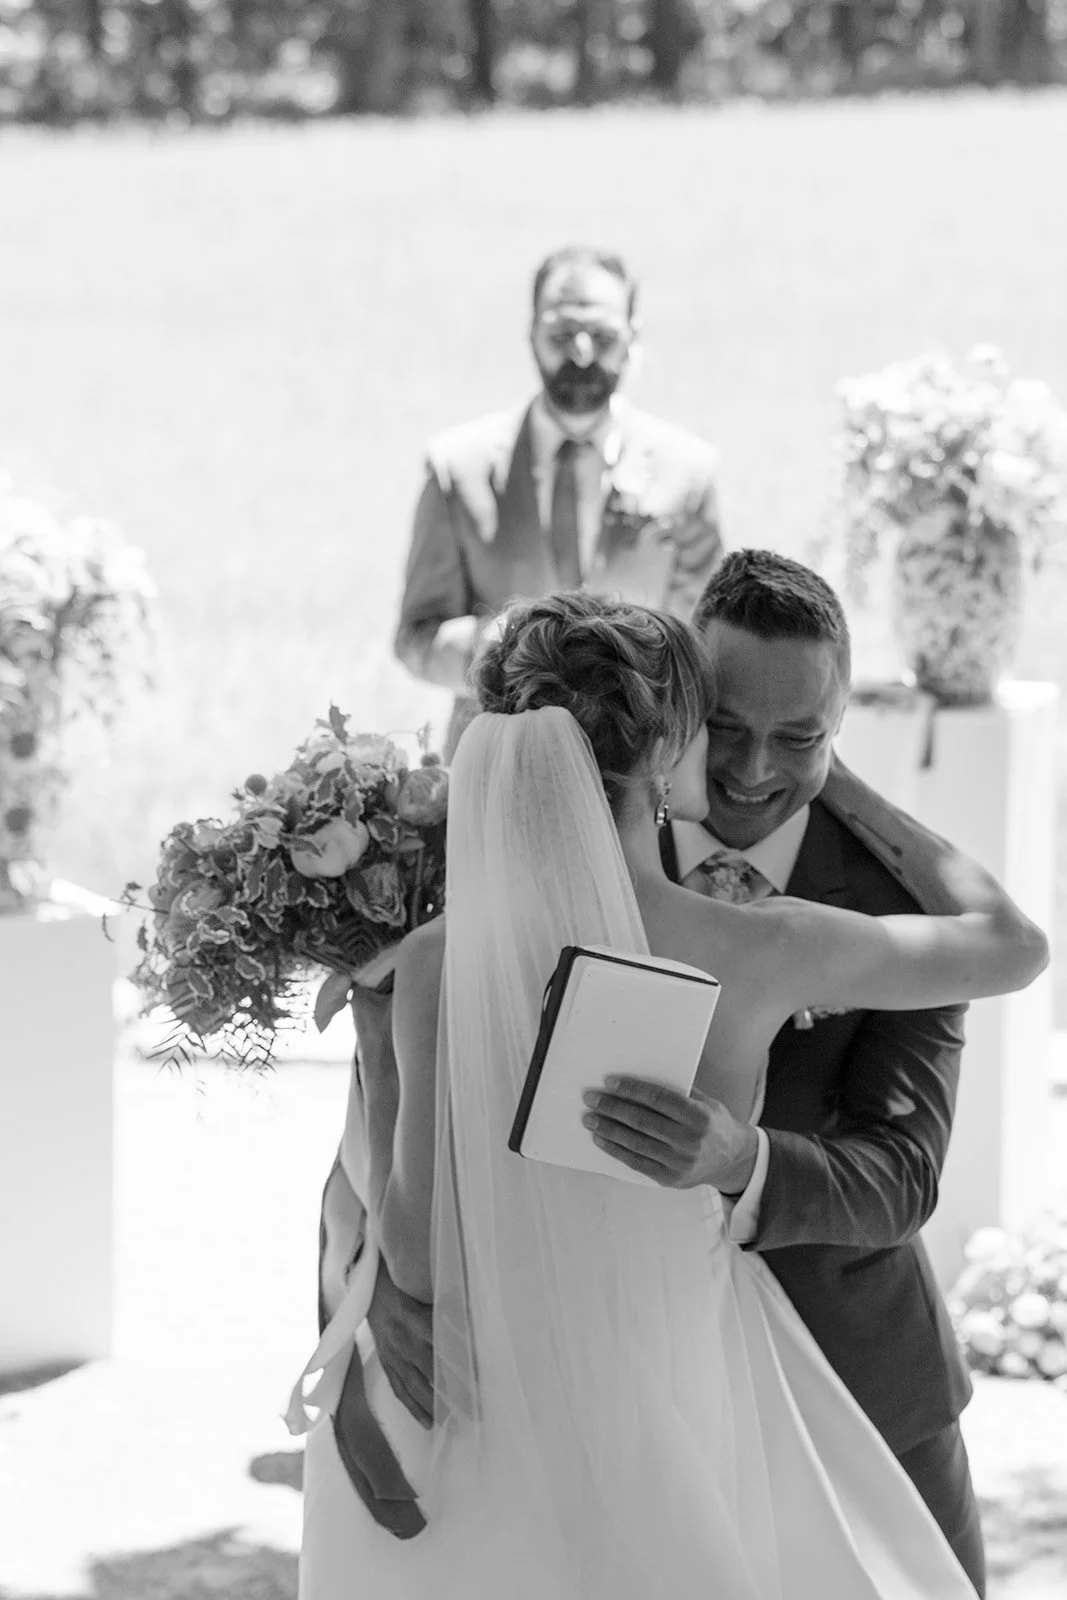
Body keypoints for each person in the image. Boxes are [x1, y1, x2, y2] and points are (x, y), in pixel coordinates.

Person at [292, 592, 1047, 1599]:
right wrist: (836, 775)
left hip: (496, 1419)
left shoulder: (434, 958)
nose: (745, 765)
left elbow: (418, 1266)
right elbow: (1011, 946)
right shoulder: (765, 946)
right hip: (684, 1395)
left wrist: (382, 1048)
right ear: (666, 752)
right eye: (715, 728)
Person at [616, 548, 984, 1591]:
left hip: (859, 1378)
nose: (749, 770)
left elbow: (903, 1171)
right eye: (725, 726)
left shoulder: (900, 908)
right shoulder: (594, 847)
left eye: (798, 737)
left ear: (839, 728)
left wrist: (744, 1158)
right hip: (642, 1395)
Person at [392, 245, 724, 760]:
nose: (583, 353)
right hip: (492, 763)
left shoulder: (690, 474)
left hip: (634, 765)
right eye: (562, 334)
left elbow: (700, 651)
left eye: (603, 335)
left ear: (633, 337)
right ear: (531, 335)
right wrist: (490, 648)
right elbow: (415, 637)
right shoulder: (458, 469)